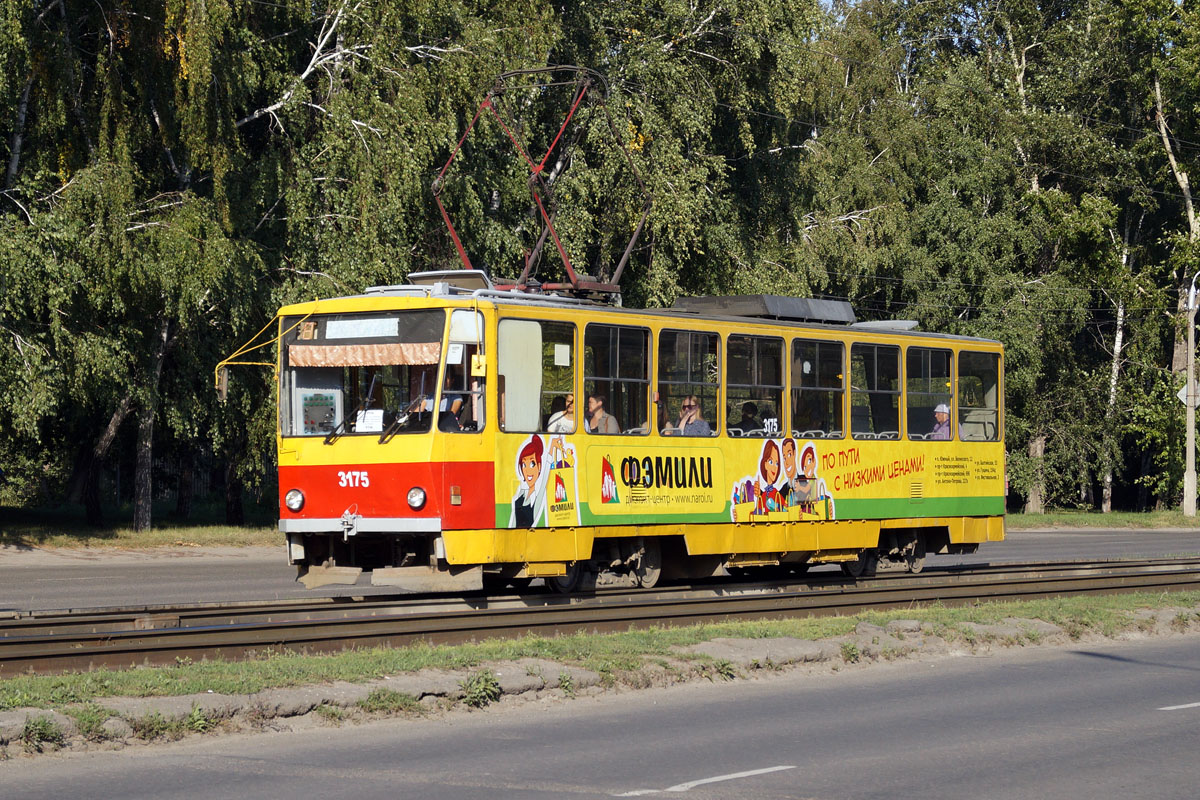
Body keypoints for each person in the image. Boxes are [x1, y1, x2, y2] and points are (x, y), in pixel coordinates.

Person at [509, 435, 546, 528]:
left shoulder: (537, 499)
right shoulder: (521, 493)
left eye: (532, 464)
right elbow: (513, 521)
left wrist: (550, 452)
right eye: (524, 465)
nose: (527, 470)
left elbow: (544, 481)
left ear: (539, 466)